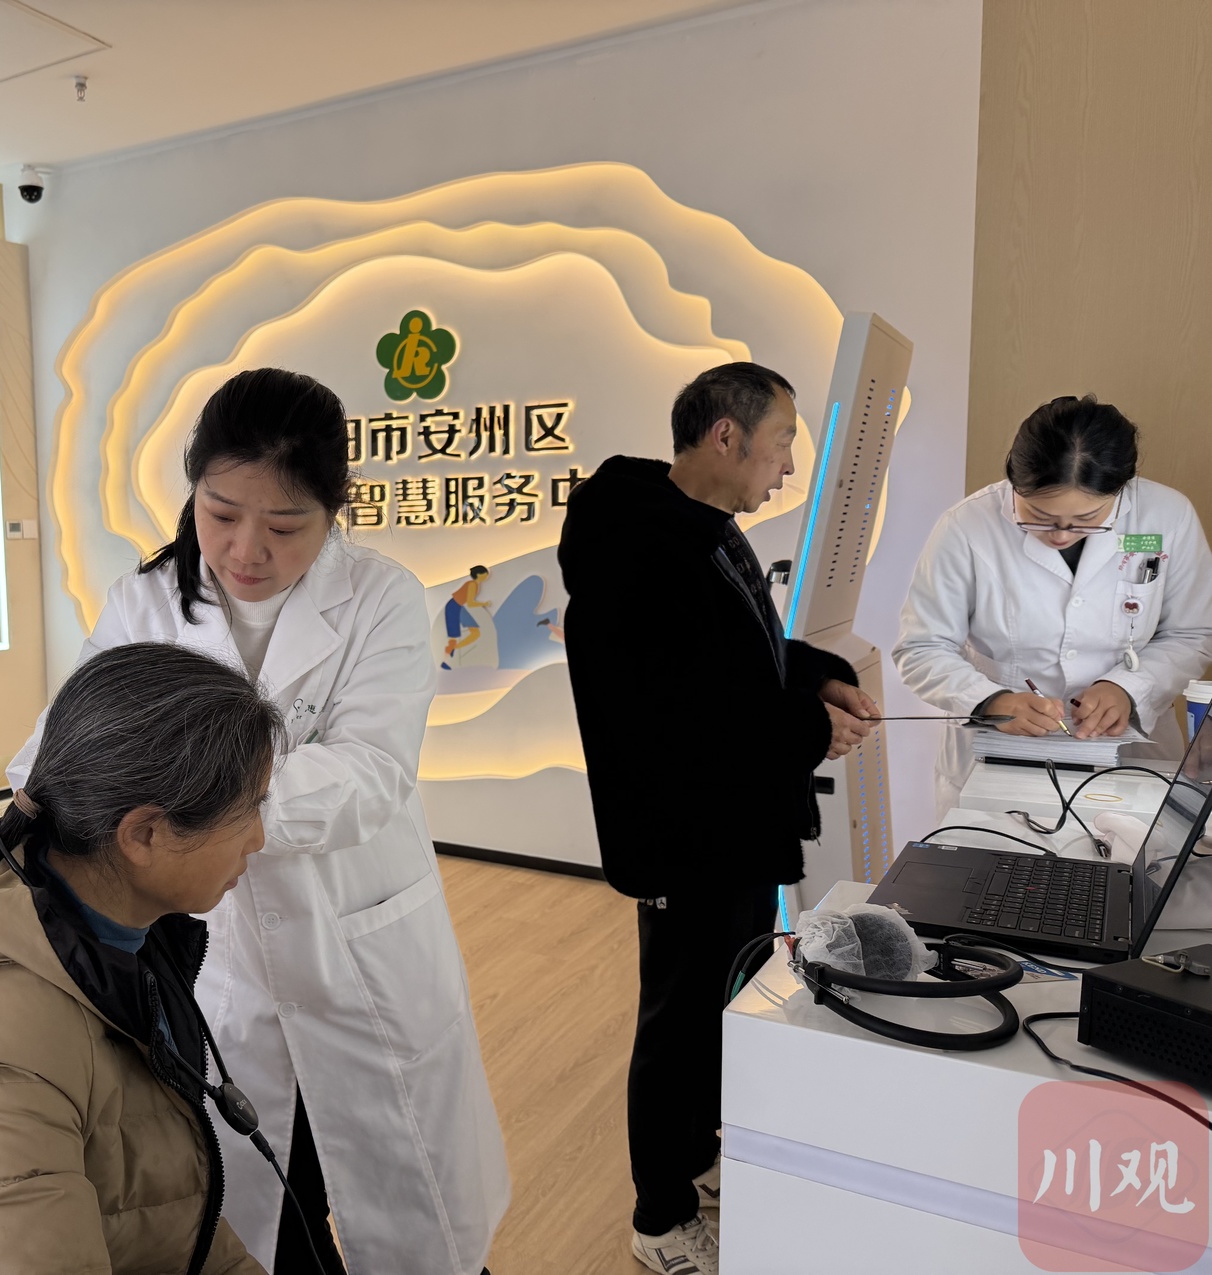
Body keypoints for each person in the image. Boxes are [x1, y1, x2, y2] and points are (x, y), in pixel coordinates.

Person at [7, 368, 508, 1274]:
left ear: (334, 511)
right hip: (221, 955)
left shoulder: (382, 599)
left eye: (285, 526)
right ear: (193, 488)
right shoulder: (145, 603)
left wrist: (187, 809)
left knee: (413, 1209)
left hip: (356, 943)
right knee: (262, 1205)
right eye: (221, 512)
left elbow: (369, 772)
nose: (246, 549)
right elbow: (60, 745)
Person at [558, 361, 873, 1275]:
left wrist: (817, 675)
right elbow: (681, 722)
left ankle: (696, 1158)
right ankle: (660, 1217)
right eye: (781, 444)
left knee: (716, 1010)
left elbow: (743, 655)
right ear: (726, 436)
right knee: (679, 1026)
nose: (788, 467)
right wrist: (810, 728)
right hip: (682, 839)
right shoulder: (637, 552)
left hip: (732, 831)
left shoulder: (703, 532)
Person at [0, 644, 277, 1274]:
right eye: (249, 809)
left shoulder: (126, 937)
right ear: (144, 834)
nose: (258, 839)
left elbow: (171, 1218)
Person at [895, 395, 1212, 816]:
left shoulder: (1167, 516)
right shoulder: (967, 527)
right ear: (1014, 482)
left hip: (1130, 753)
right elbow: (921, 648)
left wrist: (1129, 688)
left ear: (1121, 489)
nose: (1061, 535)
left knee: (1134, 852)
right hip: (999, 755)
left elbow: (1191, 634)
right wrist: (991, 701)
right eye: (1038, 516)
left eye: (1087, 519)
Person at [441, 565, 491, 667]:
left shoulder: (475, 585)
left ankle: (454, 649)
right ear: (479, 574)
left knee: (475, 633)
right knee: (454, 637)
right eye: (485, 573)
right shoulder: (472, 584)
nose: (486, 575)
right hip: (454, 607)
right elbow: (470, 603)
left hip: (459, 607)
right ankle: (446, 661)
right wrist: (484, 604)